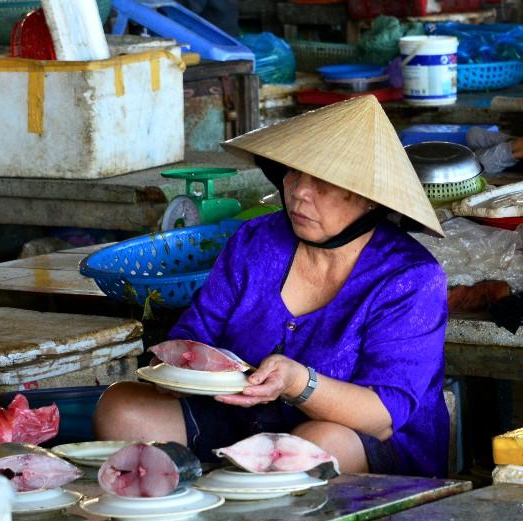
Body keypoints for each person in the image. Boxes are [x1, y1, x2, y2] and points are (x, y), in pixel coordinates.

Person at [93, 95, 450, 478]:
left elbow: (382, 418)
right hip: (241, 422)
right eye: (293, 173)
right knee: (121, 408)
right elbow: (196, 333)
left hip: (362, 444)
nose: (298, 192)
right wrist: (177, 371)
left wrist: (298, 383)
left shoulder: (410, 279)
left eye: (322, 182)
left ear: (368, 199)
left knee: (309, 447)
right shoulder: (257, 241)